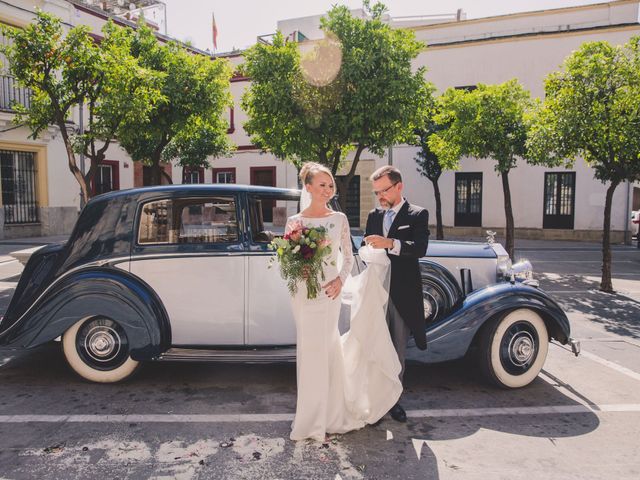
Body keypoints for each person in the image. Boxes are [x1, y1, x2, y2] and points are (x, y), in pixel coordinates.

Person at [286, 162, 402, 442]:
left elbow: (349, 257)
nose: (328, 189)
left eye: (330, 185)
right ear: (308, 187)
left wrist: (339, 279)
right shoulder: (295, 222)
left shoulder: (338, 219)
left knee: (326, 347)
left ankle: (330, 415)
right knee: (308, 351)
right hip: (303, 292)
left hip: (329, 291)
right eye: (322, 185)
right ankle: (308, 419)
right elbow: (287, 260)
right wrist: (298, 268)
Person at [364, 165, 429, 423]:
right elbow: (364, 245)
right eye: (376, 192)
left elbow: (421, 248)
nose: (380, 196)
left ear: (399, 186)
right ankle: (376, 402)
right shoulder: (373, 215)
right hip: (375, 291)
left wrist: (390, 243)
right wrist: (367, 248)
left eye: (383, 191)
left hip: (402, 293)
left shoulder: (417, 214)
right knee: (375, 347)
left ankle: (394, 401)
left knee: (397, 350)